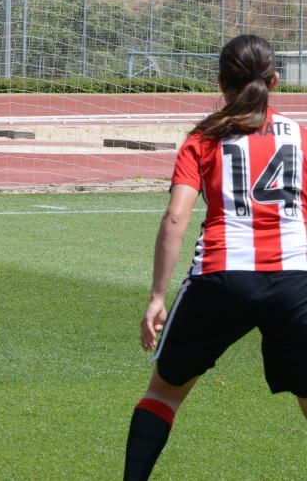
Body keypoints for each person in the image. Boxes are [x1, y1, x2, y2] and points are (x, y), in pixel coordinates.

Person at [123, 34, 307, 480]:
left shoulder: (203, 137)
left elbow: (175, 220)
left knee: (164, 394)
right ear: (276, 81)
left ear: (220, 81)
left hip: (221, 277)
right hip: (295, 279)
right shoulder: (300, 135)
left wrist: (156, 297)